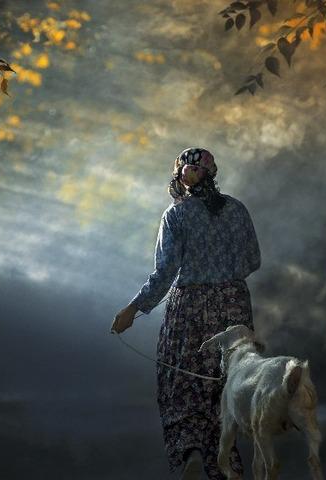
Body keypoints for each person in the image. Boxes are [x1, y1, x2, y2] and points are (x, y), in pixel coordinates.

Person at [111, 147, 261, 480]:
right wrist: (224, 273)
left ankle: (192, 452)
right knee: (225, 387)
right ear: (212, 173)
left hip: (190, 308)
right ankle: (227, 465)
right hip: (234, 305)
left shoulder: (176, 216)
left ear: (181, 175)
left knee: (183, 382)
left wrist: (133, 309)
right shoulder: (237, 210)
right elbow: (253, 260)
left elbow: (165, 272)